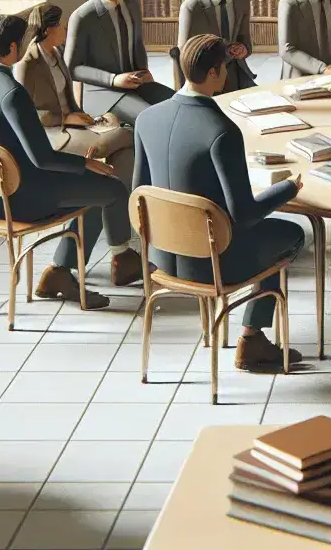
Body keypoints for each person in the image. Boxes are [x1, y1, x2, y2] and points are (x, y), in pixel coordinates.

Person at [131, 35, 306, 372]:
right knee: (290, 234)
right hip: (212, 261)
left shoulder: (146, 119)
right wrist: (287, 189)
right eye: (224, 67)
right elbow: (244, 214)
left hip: (162, 257)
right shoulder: (221, 130)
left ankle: (249, 337)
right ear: (214, 73)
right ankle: (252, 337)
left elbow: (138, 193)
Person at [0, 13, 129, 309]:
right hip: (18, 198)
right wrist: (85, 164)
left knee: (93, 187)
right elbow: (41, 158)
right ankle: (62, 271)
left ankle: (62, 271)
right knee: (111, 189)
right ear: (13, 48)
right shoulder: (13, 93)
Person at [15, 3, 136, 186]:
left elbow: (67, 98)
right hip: (54, 133)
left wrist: (80, 116)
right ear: (48, 30)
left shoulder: (56, 52)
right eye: (61, 26)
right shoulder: (26, 64)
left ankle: (113, 198)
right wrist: (65, 118)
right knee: (124, 137)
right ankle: (114, 196)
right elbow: (24, 114)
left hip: (75, 124)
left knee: (122, 147)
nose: (65, 29)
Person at [66, 0, 174, 125]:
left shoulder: (132, 5)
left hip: (136, 83)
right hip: (103, 92)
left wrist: (143, 71)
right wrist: (113, 79)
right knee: (151, 119)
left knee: (178, 105)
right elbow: (72, 68)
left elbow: (137, 43)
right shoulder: (83, 17)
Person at [178, 0, 258, 91]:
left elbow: (244, 38)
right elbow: (184, 54)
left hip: (236, 71)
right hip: (208, 77)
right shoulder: (192, 7)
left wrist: (244, 49)